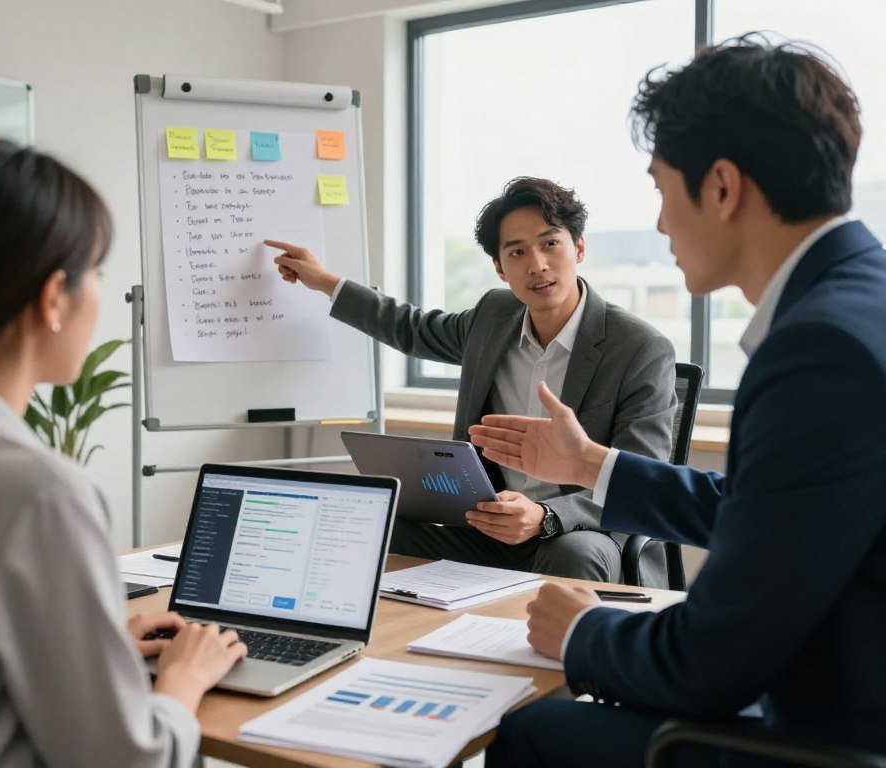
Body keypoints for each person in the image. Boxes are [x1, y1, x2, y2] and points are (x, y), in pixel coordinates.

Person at [469, 34, 886, 766]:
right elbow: (772, 508)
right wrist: (594, 463)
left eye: (662, 189)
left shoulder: (819, 351)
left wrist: (582, 632)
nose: (660, 223)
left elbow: (711, 661)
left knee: (530, 733)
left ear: (722, 188)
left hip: (833, 730)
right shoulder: (861, 303)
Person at [0, 140, 247, 767]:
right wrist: (184, 681)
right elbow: (128, 760)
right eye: (97, 274)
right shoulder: (36, 494)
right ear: (53, 298)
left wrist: (91, 650)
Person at [265, 177, 676, 582]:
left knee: (574, 551)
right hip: (491, 529)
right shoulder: (493, 317)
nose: (537, 264)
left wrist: (546, 517)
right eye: (517, 252)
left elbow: (640, 486)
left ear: (579, 247)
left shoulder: (639, 349)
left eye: (551, 243)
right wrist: (324, 282)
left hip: (580, 534)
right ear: (499, 268)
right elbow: (411, 328)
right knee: (383, 524)